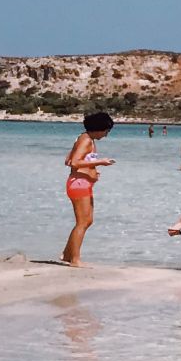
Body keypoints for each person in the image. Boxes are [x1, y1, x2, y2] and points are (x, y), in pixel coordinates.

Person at [60, 111, 116, 267]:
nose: (106, 135)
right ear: (99, 128)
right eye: (106, 131)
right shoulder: (86, 140)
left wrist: (91, 169)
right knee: (82, 222)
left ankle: (67, 254)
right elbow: (73, 163)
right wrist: (100, 162)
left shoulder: (84, 138)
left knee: (87, 220)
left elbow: (68, 160)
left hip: (81, 183)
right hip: (78, 184)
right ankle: (75, 260)